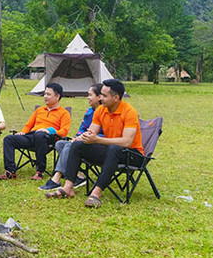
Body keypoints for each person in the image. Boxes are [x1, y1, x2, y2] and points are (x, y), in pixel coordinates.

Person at [45, 79, 143, 208]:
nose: (100, 98)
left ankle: (96, 193)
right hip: (110, 151)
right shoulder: (101, 110)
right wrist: (81, 138)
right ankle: (68, 187)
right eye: (100, 94)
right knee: (78, 145)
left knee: (114, 148)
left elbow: (126, 142)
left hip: (132, 155)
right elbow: (91, 132)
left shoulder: (129, 112)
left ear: (116, 97)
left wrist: (98, 140)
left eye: (104, 95)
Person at [0, 82, 71, 180]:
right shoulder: (40, 110)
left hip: (49, 138)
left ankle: (39, 171)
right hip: (32, 136)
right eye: (44, 94)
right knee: (9, 139)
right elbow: (29, 125)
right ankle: (10, 171)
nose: (45, 96)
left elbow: (64, 131)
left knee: (40, 135)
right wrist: (23, 132)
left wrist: (48, 131)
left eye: (48, 94)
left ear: (57, 96)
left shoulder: (64, 113)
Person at [38, 83, 102, 191]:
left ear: (99, 97)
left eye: (90, 95)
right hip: (83, 141)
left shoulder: (104, 113)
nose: (88, 97)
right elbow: (83, 128)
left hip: (96, 144)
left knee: (69, 146)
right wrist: (77, 137)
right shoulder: (89, 111)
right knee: (60, 144)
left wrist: (81, 139)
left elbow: (104, 133)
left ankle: (56, 178)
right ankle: (79, 175)